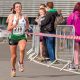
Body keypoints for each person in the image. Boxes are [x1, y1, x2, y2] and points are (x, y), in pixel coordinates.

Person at [7, 2, 29, 77]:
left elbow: (27, 24)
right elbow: (8, 28)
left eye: (19, 6)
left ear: (21, 8)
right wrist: (15, 25)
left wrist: (26, 30)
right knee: (14, 56)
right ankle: (13, 69)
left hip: (22, 36)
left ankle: (21, 63)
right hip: (13, 37)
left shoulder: (25, 16)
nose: (18, 8)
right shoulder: (11, 17)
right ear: (14, 8)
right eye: (17, 7)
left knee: (22, 49)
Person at [67, 2, 80, 69]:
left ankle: (76, 64)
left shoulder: (72, 15)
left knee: (75, 51)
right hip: (77, 35)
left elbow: (69, 25)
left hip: (75, 35)